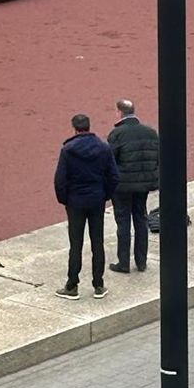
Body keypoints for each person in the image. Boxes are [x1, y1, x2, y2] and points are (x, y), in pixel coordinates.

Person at [54, 113, 119, 300]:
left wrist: (65, 199)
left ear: (74, 128)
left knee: (76, 244)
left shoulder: (68, 150)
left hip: (75, 201)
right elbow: (113, 177)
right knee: (97, 242)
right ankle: (98, 284)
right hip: (97, 199)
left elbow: (60, 180)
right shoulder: (104, 148)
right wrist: (104, 195)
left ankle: (72, 285)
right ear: (89, 127)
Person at [107, 98, 159, 273]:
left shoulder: (117, 134)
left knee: (123, 223)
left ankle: (123, 262)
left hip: (122, 187)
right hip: (143, 186)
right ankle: (141, 261)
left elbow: (110, 163)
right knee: (141, 219)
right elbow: (157, 159)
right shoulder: (151, 133)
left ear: (120, 112)